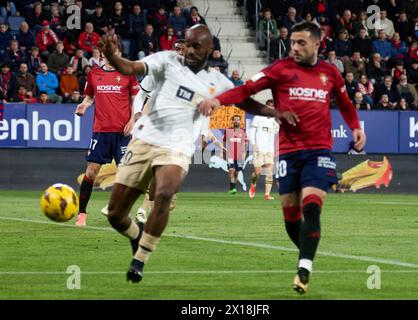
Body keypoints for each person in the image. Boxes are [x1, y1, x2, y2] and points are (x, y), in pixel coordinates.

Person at [99, 24, 297, 283]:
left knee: (165, 192)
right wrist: (113, 56)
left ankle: (140, 259)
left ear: (209, 50)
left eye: (196, 46)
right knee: (115, 214)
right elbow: (131, 68)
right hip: (144, 139)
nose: (189, 50)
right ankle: (136, 235)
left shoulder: (217, 81)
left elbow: (244, 101)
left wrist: (275, 113)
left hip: (176, 146)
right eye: (187, 44)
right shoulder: (167, 60)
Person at [198, 21, 366, 294]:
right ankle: (308, 250)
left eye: (301, 43)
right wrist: (219, 101)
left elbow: (345, 104)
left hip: (319, 149)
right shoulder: (280, 69)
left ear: (316, 43)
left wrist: (356, 126)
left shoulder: (330, 73)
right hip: (288, 151)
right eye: (293, 43)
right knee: (291, 218)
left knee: (312, 206)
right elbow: (245, 91)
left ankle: (304, 269)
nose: (295, 48)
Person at [73, 39, 138, 227]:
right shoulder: (94, 74)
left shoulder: (128, 73)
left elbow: (135, 99)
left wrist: (132, 120)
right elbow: (89, 98)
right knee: (91, 172)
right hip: (101, 131)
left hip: (123, 131)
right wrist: (84, 106)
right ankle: (82, 214)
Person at [248, 99, 280, 200]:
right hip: (259, 148)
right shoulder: (258, 117)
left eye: (273, 106)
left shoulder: (275, 121)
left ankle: (267, 194)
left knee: (269, 173)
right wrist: (253, 144)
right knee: (257, 172)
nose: (271, 107)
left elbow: (276, 133)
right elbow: (252, 131)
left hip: (269, 149)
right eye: (269, 106)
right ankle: (253, 184)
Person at [223, 114, 248, 195]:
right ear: (232, 121)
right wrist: (223, 151)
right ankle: (232, 188)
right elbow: (224, 141)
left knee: (237, 172)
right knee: (231, 170)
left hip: (240, 155)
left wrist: (244, 153)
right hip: (230, 155)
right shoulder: (227, 130)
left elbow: (245, 143)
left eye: (238, 119)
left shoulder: (243, 131)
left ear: (240, 121)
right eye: (235, 119)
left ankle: (233, 188)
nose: (236, 121)